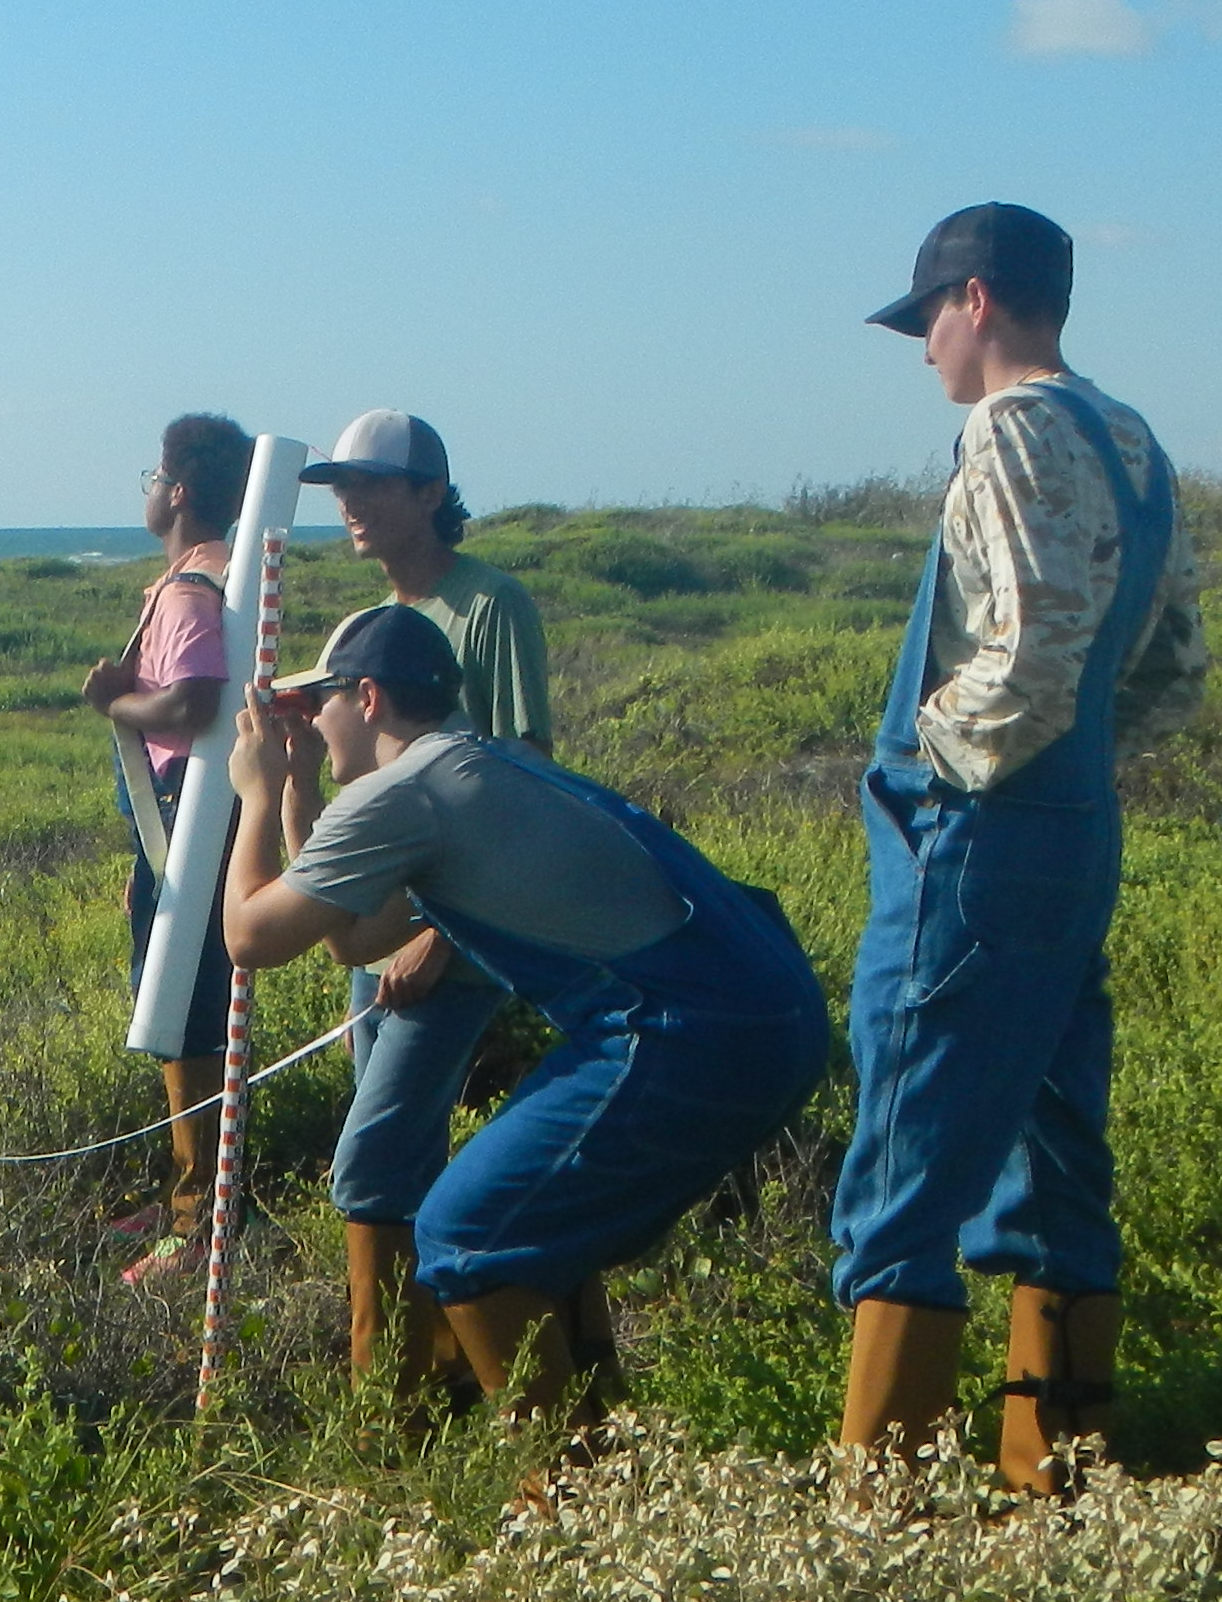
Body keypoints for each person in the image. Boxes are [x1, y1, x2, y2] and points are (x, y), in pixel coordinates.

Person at [828, 204, 1212, 1489]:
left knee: (905, 1168)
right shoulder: (1132, 437)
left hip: (976, 840)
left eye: (929, 318)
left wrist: (931, 755)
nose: (926, 348)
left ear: (977, 300)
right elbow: (1173, 665)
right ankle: (1056, 1484)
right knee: (1051, 1156)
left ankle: (878, 1525)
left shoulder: (1007, 429)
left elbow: (1033, 657)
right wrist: (1077, 767)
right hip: (1075, 831)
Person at [224, 605, 827, 1416]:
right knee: (534, 1230)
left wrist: (256, 795)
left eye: (317, 700)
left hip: (680, 1026)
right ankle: (600, 1468)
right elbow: (350, 940)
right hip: (765, 1011)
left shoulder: (403, 795)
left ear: (366, 698)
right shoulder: (480, 766)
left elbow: (251, 938)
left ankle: (555, 1492)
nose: (310, 721)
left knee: (470, 1232)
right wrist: (298, 788)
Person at [291, 410, 559, 1379]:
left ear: (432, 495)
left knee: (379, 1149)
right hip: (382, 921)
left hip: (455, 928)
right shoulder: (359, 632)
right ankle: (450, 1356)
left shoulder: (490, 605)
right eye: (340, 487)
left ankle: (394, 1395)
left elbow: (521, 777)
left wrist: (439, 939)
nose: (350, 504)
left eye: (371, 483)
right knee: (396, 1135)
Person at [81, 411, 246, 1276]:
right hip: (184, 824)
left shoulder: (188, 592)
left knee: (185, 1010)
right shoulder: (224, 574)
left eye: (153, 477)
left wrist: (115, 701)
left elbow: (190, 708)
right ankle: (195, 1193)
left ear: (178, 492)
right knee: (195, 1004)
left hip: (185, 818)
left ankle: (203, 1216)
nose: (149, 491)